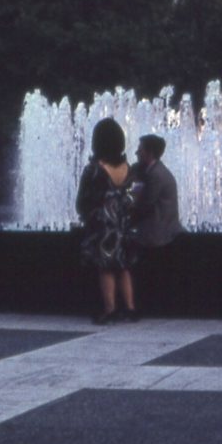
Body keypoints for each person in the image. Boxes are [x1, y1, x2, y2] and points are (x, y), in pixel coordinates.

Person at [76, 118, 138, 325]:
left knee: (106, 266)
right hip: (122, 222)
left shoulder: (94, 169)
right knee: (123, 265)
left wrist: (86, 214)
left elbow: (83, 199)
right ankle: (130, 308)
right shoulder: (127, 167)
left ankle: (109, 309)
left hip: (102, 224)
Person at [129, 134, 184, 319]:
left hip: (158, 234)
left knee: (139, 268)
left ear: (149, 153)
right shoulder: (153, 170)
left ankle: (138, 307)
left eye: (140, 149)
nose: (137, 152)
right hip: (159, 230)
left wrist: (125, 220)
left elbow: (145, 205)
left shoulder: (156, 175)